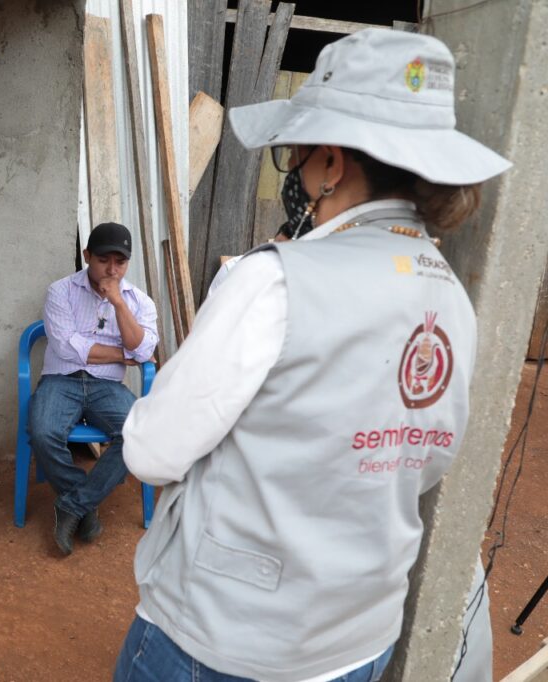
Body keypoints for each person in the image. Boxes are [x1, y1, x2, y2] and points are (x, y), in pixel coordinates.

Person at [115, 28, 510, 682]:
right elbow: (425, 460)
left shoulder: (273, 282)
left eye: (294, 157)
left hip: (225, 636)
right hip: (357, 642)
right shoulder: (452, 298)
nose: (294, 175)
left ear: (330, 163)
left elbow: (153, 452)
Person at [29, 222, 158, 556]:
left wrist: (119, 304)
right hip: (62, 379)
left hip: (106, 385)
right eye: (103, 260)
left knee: (138, 434)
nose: (112, 270)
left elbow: (143, 350)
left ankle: (72, 505)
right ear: (87, 256)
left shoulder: (138, 301)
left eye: (120, 262)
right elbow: (66, 346)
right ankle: (84, 504)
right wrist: (121, 354)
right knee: (43, 433)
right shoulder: (60, 291)